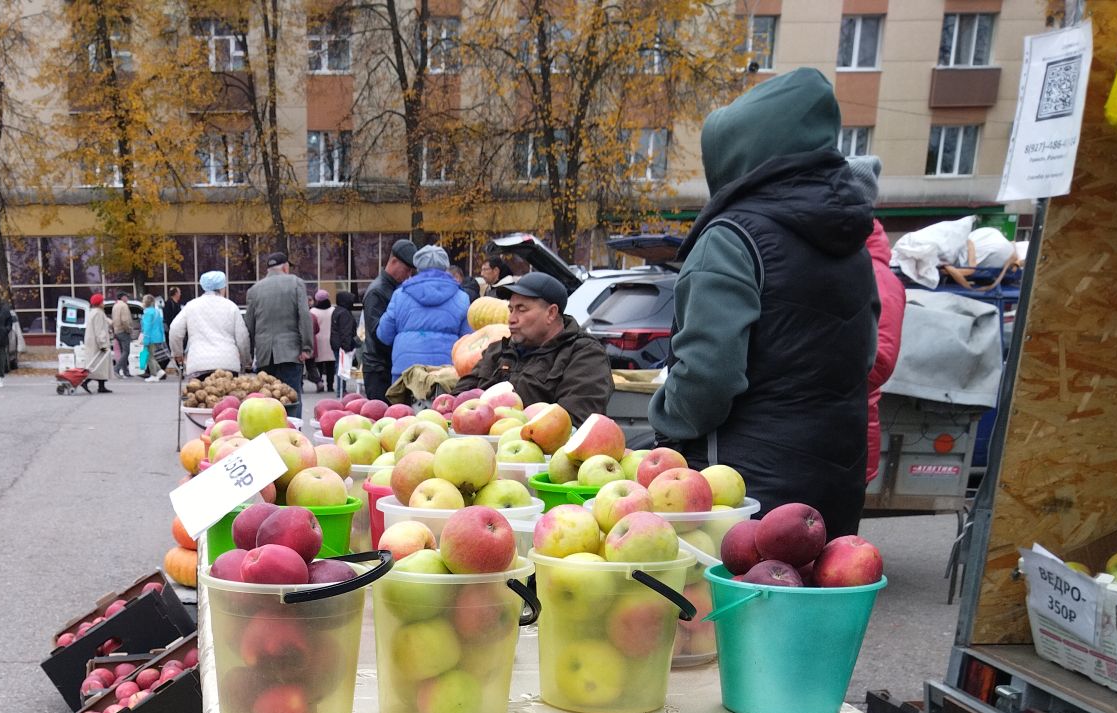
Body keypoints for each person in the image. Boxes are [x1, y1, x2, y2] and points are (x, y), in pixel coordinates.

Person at [648, 67, 880, 537]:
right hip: (833, 484)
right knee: (809, 608)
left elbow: (706, 379)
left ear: (735, 157)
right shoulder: (852, 240)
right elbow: (866, 354)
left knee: (728, 611)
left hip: (744, 496)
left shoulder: (732, 237)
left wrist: (664, 421)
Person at [461, 272, 613, 419]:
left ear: (551, 313)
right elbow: (459, 400)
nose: (511, 319)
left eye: (521, 309)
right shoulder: (497, 351)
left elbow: (574, 421)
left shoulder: (584, 355)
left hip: (537, 443)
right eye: (511, 310)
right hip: (480, 443)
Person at [849, 154, 906, 488]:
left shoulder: (879, 276)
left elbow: (879, 361)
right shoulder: (845, 263)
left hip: (849, 434)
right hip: (832, 431)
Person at [375, 244, 470, 383]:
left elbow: (384, 335)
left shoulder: (400, 295)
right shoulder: (462, 297)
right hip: (446, 373)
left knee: (403, 406)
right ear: (446, 267)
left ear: (418, 267)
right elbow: (467, 340)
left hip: (405, 372)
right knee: (443, 404)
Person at [245, 252, 312, 410]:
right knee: (291, 399)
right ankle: (293, 434)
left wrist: (249, 355)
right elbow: (304, 316)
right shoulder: (296, 283)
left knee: (268, 403)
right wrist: (306, 347)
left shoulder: (254, 290)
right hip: (291, 352)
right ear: (285, 267)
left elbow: (249, 324)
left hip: (264, 355)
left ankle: (271, 434)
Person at [360, 239, 417, 400]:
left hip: (386, 366)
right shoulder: (376, 292)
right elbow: (377, 335)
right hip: (378, 370)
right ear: (393, 262)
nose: (408, 275)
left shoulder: (393, 289)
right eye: (406, 269)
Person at [169, 271, 249, 379]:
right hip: (227, 363)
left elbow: (174, 330)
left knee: (199, 394)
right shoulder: (231, 307)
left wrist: (178, 354)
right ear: (222, 288)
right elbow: (242, 338)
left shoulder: (191, 306)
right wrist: (244, 361)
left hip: (199, 364)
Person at [82, 292, 115, 393]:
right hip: (98, 344)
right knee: (96, 365)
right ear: (99, 303)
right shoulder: (98, 313)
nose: (103, 303)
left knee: (101, 365)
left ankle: (101, 386)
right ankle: (85, 381)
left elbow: (105, 321)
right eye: (102, 301)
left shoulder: (94, 312)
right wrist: (103, 344)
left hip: (93, 343)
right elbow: (99, 330)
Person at [330, 291, 359, 390]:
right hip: (343, 345)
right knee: (343, 368)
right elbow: (345, 331)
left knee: (340, 367)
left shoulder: (337, 310)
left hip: (336, 344)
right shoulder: (345, 313)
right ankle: (341, 390)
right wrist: (347, 346)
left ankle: (341, 389)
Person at [307, 289, 334, 392]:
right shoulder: (333, 310)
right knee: (330, 365)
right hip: (330, 339)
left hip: (318, 340)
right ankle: (330, 386)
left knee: (318, 365)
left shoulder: (313, 312)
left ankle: (319, 382)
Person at [138, 295, 168, 382]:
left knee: (149, 356)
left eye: (143, 301)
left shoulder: (147, 313)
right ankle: (159, 371)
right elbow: (160, 326)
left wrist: (145, 339)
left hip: (150, 337)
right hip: (157, 337)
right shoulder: (157, 312)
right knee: (151, 355)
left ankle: (153, 375)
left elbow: (147, 327)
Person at [110, 293, 136, 377]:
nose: (127, 298)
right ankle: (116, 368)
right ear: (123, 297)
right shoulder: (124, 306)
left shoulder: (115, 306)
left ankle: (126, 371)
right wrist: (129, 329)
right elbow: (125, 320)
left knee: (123, 352)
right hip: (123, 331)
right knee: (126, 351)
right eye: (126, 297)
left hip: (117, 331)